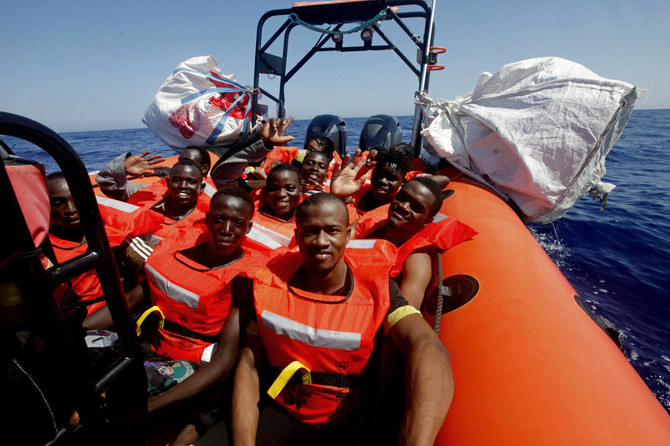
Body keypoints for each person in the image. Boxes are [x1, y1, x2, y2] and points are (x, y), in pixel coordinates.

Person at [232, 193, 453, 445]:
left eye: (332, 231)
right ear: (296, 236)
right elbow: (248, 365)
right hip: (280, 411)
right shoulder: (266, 283)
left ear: (348, 235)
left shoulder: (380, 290)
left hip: (346, 424)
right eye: (310, 231)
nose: (321, 241)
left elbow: (428, 347)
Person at [136, 187, 270, 444]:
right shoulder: (176, 253)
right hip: (155, 349)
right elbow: (135, 295)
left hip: (202, 367)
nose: (227, 229)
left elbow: (224, 362)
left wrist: (149, 408)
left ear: (249, 228)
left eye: (237, 223)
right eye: (219, 219)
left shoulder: (243, 279)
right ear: (208, 220)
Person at [355, 177, 477, 308]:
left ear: (426, 222)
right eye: (402, 197)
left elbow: (405, 314)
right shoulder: (371, 223)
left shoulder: (417, 260)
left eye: (416, 207)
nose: (404, 206)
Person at [46, 172, 145, 329]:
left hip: (112, 317)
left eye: (76, 200)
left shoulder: (109, 232)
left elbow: (154, 266)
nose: (70, 210)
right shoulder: (40, 248)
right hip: (64, 325)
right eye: (58, 203)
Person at [251, 163, 302, 247]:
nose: (281, 194)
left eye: (290, 188)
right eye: (274, 189)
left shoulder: (306, 225)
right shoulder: (249, 214)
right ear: (265, 191)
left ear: (300, 192)